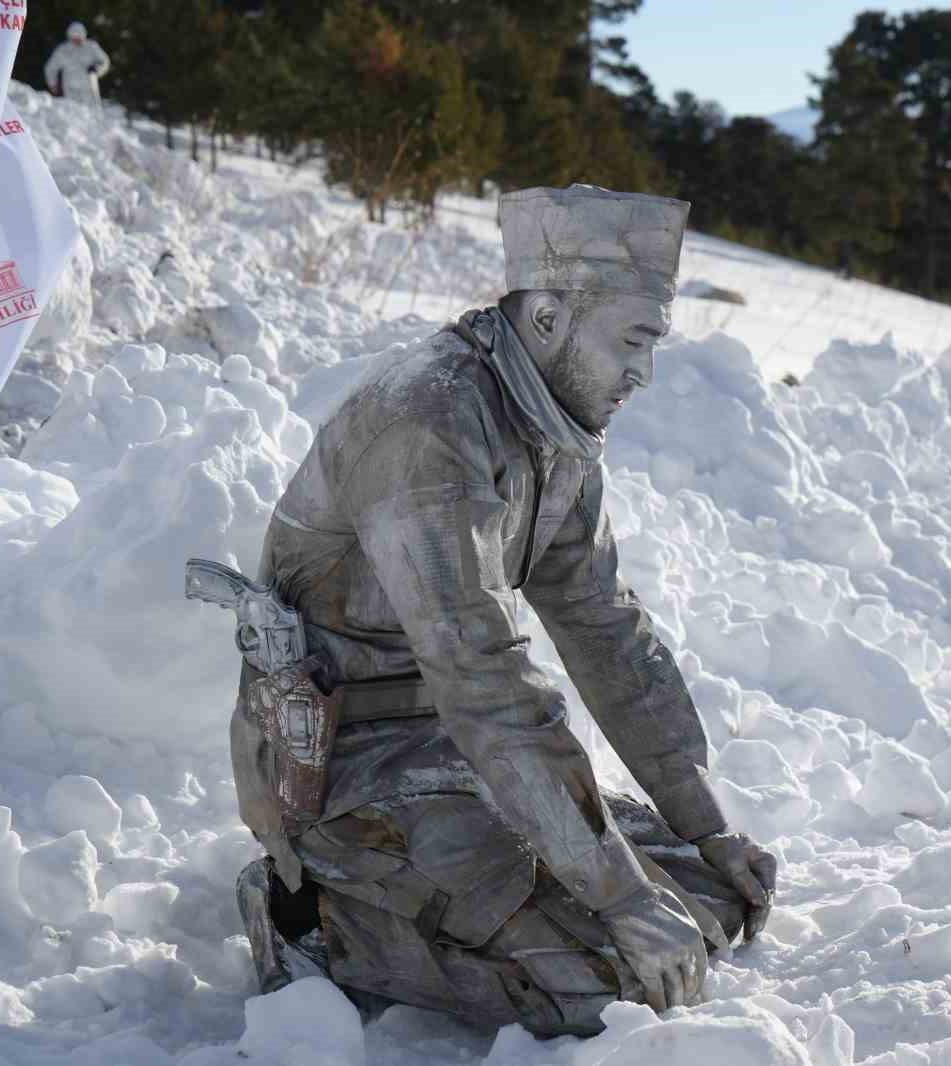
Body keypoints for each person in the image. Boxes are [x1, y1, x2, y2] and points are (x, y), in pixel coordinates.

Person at [229, 185, 777, 1037]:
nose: (646, 372)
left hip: (459, 747)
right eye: (633, 340)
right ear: (551, 319)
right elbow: (482, 676)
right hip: (352, 763)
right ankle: (311, 917)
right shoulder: (428, 427)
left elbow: (607, 631)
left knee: (708, 894)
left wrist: (704, 826)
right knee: (612, 983)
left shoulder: (553, 422)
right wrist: (622, 898)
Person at [43, 21, 111, 105]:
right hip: (70, 90)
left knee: (93, 114)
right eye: (74, 38)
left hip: (89, 89)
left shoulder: (91, 47)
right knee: (74, 113)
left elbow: (105, 61)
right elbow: (51, 67)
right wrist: (52, 83)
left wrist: (97, 69)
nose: (77, 40)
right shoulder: (63, 50)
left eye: (79, 37)